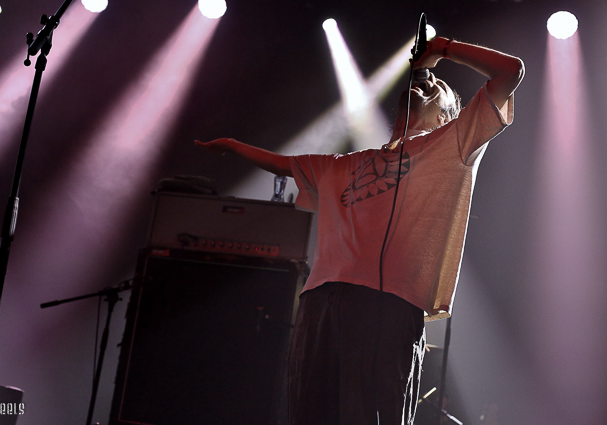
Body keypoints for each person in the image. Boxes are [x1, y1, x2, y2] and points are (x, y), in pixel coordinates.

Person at [196, 36, 524, 425]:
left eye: (437, 87)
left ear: (446, 117)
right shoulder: (344, 163)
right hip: (320, 302)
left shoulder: (452, 143)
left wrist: (441, 48)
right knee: (310, 412)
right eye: (421, 80)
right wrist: (233, 146)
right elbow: (283, 164)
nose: (426, 83)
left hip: (387, 304)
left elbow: (510, 71)